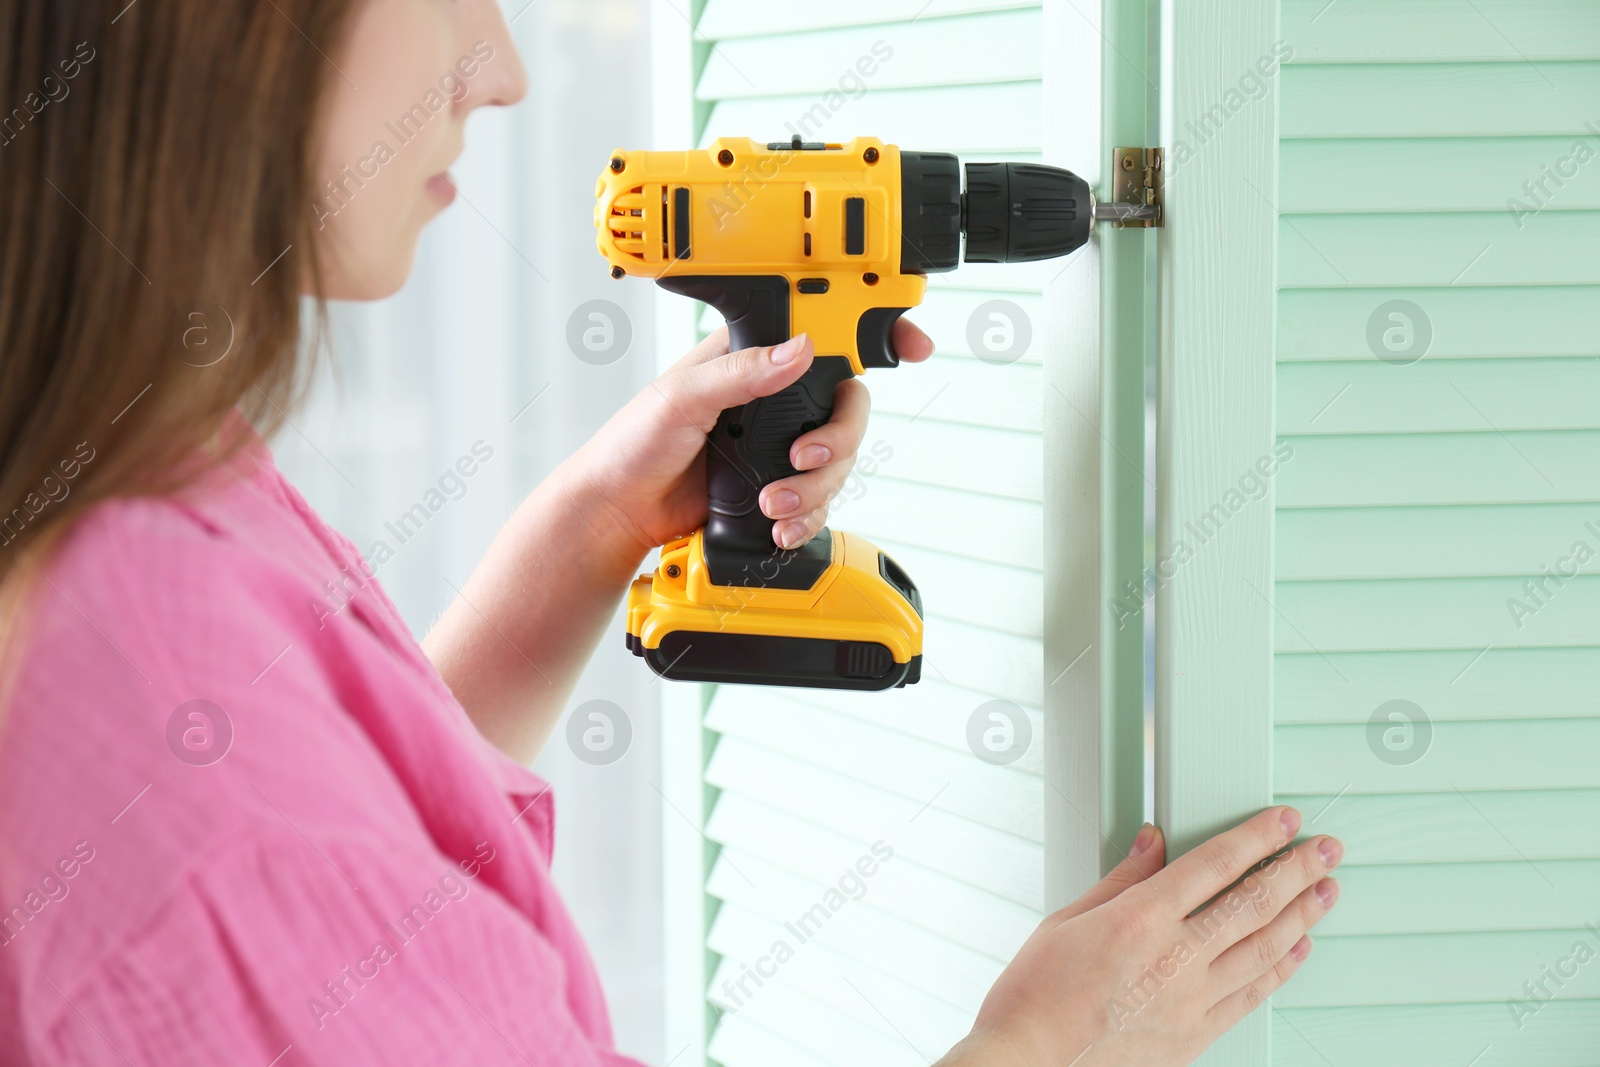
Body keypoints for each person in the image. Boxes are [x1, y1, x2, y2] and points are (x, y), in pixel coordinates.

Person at [0, 2, 1341, 1064]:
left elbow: (367, 843)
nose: (503, 68)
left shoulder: (145, 480)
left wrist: (597, 528)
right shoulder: (160, 733)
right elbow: (268, 859)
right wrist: (1049, 1045)